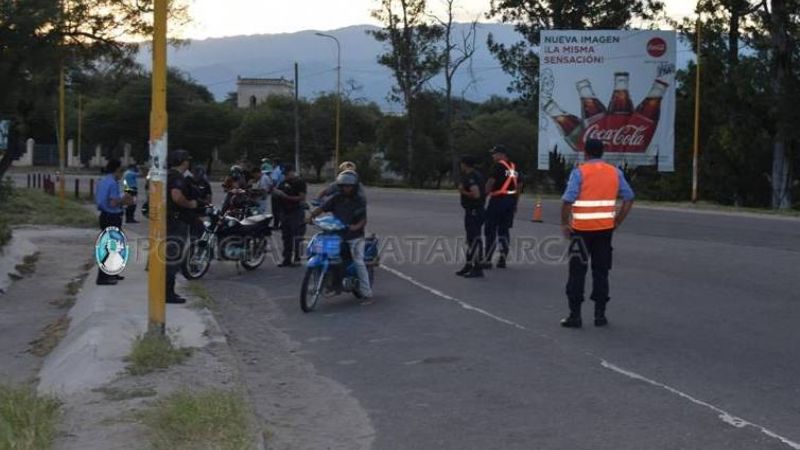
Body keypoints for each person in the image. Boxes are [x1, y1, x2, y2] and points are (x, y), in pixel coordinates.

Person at [560, 139, 635, 328]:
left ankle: (574, 315)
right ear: (602, 153)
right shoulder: (615, 172)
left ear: (586, 153)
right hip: (605, 230)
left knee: (577, 272)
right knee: (601, 272)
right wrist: (618, 220)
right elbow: (629, 197)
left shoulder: (579, 172)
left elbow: (568, 200)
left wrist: (564, 223)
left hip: (581, 232)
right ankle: (600, 315)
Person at [308, 171, 372, 298]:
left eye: (348, 186)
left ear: (354, 187)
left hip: (355, 236)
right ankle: (324, 284)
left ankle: (366, 291)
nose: (345, 188)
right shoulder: (336, 198)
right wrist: (310, 216)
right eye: (343, 186)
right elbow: (322, 208)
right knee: (321, 252)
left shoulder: (359, 200)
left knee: (358, 261)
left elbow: (363, 220)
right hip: (336, 235)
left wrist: (355, 227)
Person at [166, 149, 204, 304]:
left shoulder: (168, 175)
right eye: (187, 160)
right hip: (176, 222)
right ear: (183, 161)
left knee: (170, 255)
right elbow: (176, 196)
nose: (189, 162)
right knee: (173, 257)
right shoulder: (177, 177)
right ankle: (168, 293)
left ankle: (167, 291)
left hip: (170, 220)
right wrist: (190, 204)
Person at [95, 159, 133, 285]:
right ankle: (103, 277)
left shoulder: (104, 181)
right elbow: (112, 202)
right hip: (111, 216)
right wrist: (124, 200)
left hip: (104, 216)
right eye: (121, 171)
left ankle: (112, 273)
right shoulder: (113, 183)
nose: (122, 174)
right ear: (117, 170)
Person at [483, 145, 521, 269]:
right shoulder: (514, 167)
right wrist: (515, 203)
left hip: (498, 200)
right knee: (504, 231)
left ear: (502, 154)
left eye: (494, 154)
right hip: (510, 201)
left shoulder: (498, 166)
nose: (493, 156)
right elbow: (519, 186)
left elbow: (490, 182)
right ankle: (502, 259)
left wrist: (484, 196)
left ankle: (487, 260)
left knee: (490, 229)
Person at [456, 156, 485, 278]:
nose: (461, 166)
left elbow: (476, 194)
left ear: (465, 164)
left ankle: (478, 268)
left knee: (474, 239)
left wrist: (462, 191)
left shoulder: (472, 177)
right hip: (474, 210)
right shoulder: (476, 175)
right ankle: (469, 265)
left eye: (461, 164)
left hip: (474, 210)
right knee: (471, 239)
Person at [273, 164, 306, 267]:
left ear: (292, 172)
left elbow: (301, 197)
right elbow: (277, 192)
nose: (286, 176)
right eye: (284, 174)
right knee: (286, 237)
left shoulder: (299, 182)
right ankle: (286, 259)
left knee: (297, 236)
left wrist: (286, 197)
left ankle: (297, 259)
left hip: (296, 212)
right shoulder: (283, 183)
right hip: (285, 212)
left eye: (287, 174)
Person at [270, 160, 285, 229]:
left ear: (275, 163)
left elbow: (274, 181)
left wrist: (271, 188)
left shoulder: (276, 170)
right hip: (284, 191)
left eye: (272, 163)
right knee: (282, 209)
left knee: (275, 209)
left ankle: (276, 225)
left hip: (276, 191)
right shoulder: (283, 169)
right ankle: (283, 225)